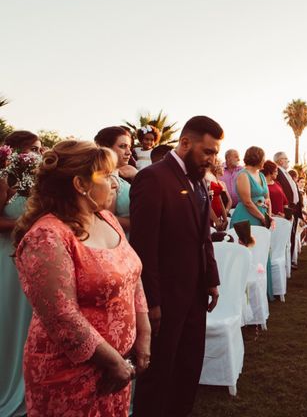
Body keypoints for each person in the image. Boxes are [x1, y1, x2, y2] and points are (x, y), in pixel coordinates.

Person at [13, 141, 150, 416]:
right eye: (107, 176)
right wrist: (114, 363)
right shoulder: (47, 236)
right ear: (80, 184)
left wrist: (143, 333)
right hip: (69, 373)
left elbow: (133, 275)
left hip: (117, 369)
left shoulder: (108, 219)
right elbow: (62, 316)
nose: (115, 184)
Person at [130, 116, 222, 417]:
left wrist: (211, 279)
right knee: (159, 374)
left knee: (188, 368)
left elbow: (203, 237)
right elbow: (143, 246)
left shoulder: (198, 179)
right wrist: (151, 302)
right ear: (185, 143)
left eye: (215, 152)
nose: (212, 159)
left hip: (195, 294)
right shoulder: (153, 179)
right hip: (165, 298)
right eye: (207, 151)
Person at [0, 130, 41, 417]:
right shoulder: (4, 179)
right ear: (16, 152)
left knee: (28, 321)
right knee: (9, 318)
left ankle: (29, 383)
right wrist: (26, 226)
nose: (39, 154)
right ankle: (8, 383)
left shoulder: (36, 183)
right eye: (35, 149)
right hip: (7, 256)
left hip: (31, 256)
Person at [94, 126, 137, 232]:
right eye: (123, 146)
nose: (129, 152)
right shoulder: (107, 181)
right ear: (106, 149)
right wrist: (141, 222)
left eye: (129, 147)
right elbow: (106, 221)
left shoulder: (122, 175)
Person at [230, 146, 271, 227]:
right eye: (263, 158)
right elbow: (247, 202)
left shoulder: (261, 175)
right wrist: (263, 218)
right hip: (246, 218)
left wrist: (268, 217)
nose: (264, 161)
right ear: (257, 158)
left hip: (262, 218)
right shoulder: (243, 175)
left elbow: (268, 198)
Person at [274, 151, 302, 267]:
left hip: (293, 208)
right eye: (286, 159)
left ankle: (290, 260)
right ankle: (287, 262)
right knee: (287, 236)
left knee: (292, 234)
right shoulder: (278, 173)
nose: (288, 161)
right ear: (280, 160)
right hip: (286, 209)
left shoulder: (286, 173)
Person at [208, 158, 231, 231]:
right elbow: (206, 202)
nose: (223, 168)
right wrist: (216, 221)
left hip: (219, 216)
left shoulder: (215, 179)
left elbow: (220, 199)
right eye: (221, 165)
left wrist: (225, 219)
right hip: (210, 217)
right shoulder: (205, 177)